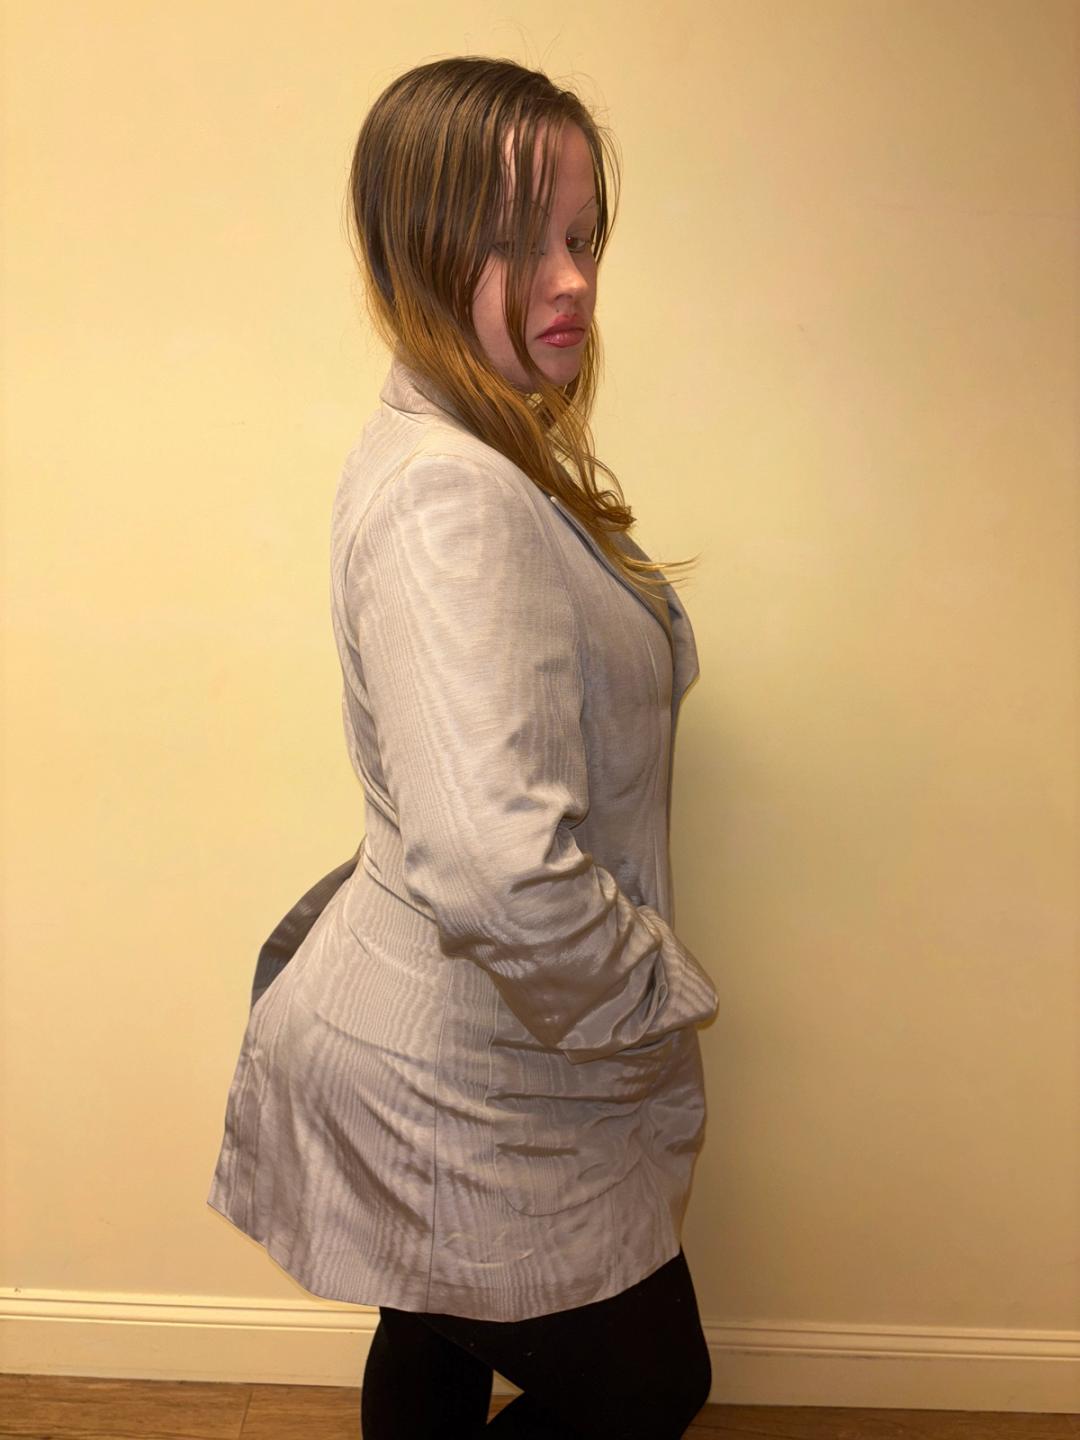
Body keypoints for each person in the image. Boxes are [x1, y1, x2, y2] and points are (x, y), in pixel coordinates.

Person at [207, 56, 720, 1438]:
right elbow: (498, 869)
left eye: (582, 236)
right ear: (420, 247)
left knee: (428, 1318)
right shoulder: (453, 496)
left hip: (455, 1039)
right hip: (463, 1070)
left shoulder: (461, 445)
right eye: (515, 240)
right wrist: (653, 992)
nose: (569, 280)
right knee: (650, 1381)